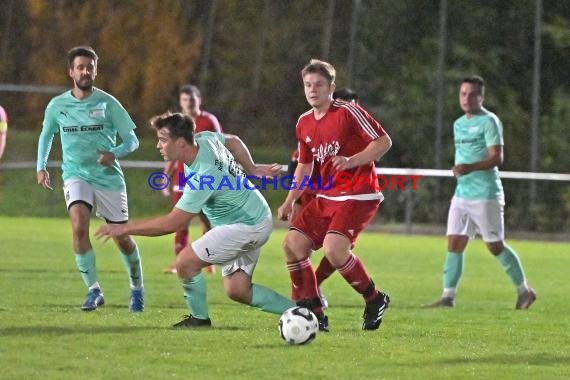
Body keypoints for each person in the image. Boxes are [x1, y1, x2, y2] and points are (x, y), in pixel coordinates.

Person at [96, 112, 295, 328]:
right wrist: (253, 168)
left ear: (180, 143)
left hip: (246, 225)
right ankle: (302, 311)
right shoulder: (204, 139)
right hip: (255, 216)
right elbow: (234, 142)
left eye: (163, 140)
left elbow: (174, 223)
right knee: (238, 290)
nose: (158, 146)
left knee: (185, 263)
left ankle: (199, 319)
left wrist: (124, 228)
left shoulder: (203, 175)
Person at [277, 59, 392, 331]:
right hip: (328, 196)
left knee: (333, 248)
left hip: (359, 192)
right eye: (308, 85)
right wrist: (290, 199)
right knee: (292, 244)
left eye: (319, 84)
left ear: (332, 87)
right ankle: (314, 310)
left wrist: (352, 160)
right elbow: (305, 165)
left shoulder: (348, 112)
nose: (312, 89)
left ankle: (374, 299)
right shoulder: (304, 122)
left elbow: (384, 141)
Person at [36, 46, 144, 312]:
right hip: (75, 175)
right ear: (71, 71)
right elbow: (47, 135)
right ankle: (94, 290)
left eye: (90, 67)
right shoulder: (57, 105)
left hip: (107, 178)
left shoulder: (108, 103)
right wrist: (41, 167)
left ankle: (137, 289)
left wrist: (114, 153)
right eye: (81, 67)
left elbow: (132, 140)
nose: (85, 71)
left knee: (122, 237)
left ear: (96, 70)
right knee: (78, 226)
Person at [425, 75, 536, 310]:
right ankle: (447, 297)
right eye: (463, 93)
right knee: (454, 242)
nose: (467, 98)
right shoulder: (458, 123)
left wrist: (468, 168)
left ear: (481, 97)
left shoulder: (489, 121)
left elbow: (497, 156)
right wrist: (461, 170)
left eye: (472, 94)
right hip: (462, 193)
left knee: (495, 245)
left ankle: (525, 291)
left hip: (486, 194)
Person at [287, 87, 360, 307]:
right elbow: (297, 166)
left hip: (343, 199)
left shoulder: (361, 137)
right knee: (298, 247)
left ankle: (313, 288)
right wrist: (293, 200)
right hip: (312, 197)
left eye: (354, 108)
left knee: (340, 247)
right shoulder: (317, 131)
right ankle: (300, 296)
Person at [162, 84, 222, 274]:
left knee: (207, 221)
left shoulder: (209, 120)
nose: (189, 103)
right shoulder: (176, 124)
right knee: (180, 222)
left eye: (192, 99)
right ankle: (180, 262)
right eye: (185, 100)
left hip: (205, 180)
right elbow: (171, 151)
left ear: (199, 100)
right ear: (181, 102)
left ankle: (207, 259)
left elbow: (220, 146)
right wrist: (165, 176)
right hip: (183, 180)